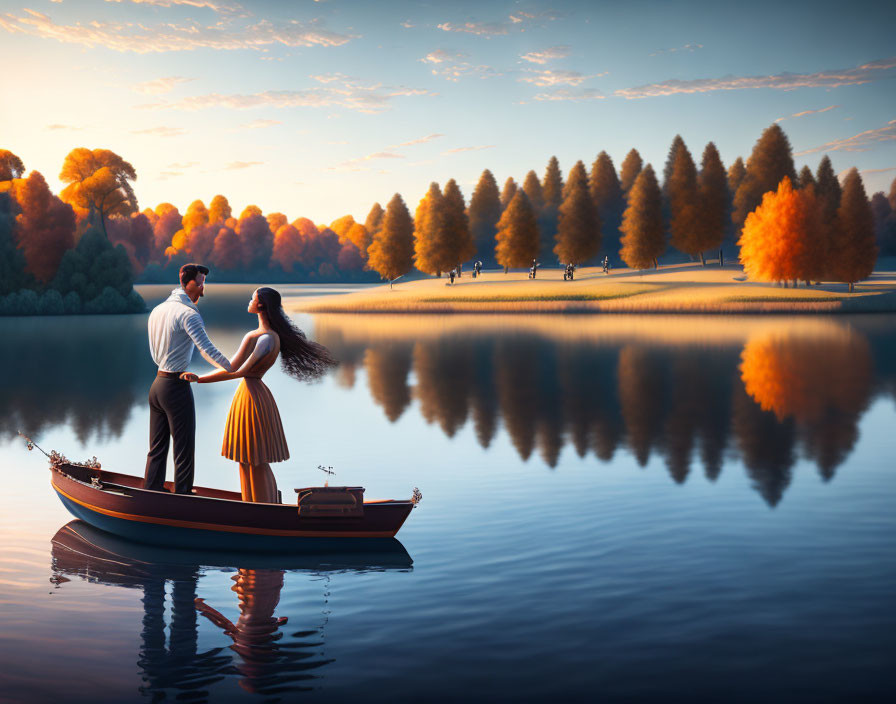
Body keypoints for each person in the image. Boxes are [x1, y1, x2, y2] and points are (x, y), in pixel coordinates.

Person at [187, 287, 336, 503]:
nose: (249, 301)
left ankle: (265, 506)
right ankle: (251, 504)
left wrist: (201, 379)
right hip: (246, 395)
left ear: (261, 305)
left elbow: (241, 372)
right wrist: (200, 376)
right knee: (245, 459)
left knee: (257, 459)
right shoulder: (254, 336)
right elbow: (232, 366)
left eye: (252, 298)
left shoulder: (268, 339)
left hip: (254, 397)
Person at [144, 264, 231, 495]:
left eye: (204, 283)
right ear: (188, 283)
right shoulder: (189, 314)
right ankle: (182, 497)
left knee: (157, 448)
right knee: (183, 448)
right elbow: (207, 350)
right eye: (200, 283)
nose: (203, 289)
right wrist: (233, 368)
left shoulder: (157, 310)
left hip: (157, 385)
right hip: (175, 386)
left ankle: (151, 491)